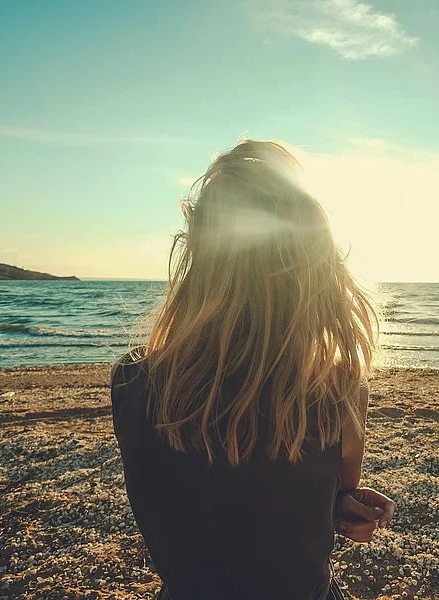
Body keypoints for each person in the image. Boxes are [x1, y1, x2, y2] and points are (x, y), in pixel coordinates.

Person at [110, 139, 395, 600]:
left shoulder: (133, 381)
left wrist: (333, 504)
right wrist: (344, 508)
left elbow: (191, 500)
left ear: (197, 255)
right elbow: (291, 502)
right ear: (315, 265)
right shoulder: (334, 387)